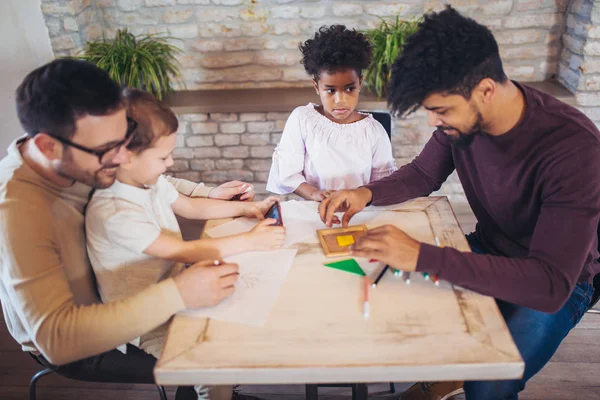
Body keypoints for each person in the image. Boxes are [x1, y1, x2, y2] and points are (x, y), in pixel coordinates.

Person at [318, 7, 600, 400]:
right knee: (399, 311)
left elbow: (550, 284)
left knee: (489, 380)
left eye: (441, 110)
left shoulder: (572, 147)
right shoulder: (462, 121)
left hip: (559, 284)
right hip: (488, 249)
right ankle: (443, 377)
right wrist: (366, 193)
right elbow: (423, 174)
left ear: (485, 89)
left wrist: (421, 255)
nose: (433, 122)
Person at [0, 58, 254, 400]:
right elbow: (58, 339)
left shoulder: (80, 149)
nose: (122, 158)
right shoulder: (17, 211)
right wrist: (180, 292)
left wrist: (206, 192)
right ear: (48, 146)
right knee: (216, 354)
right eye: (109, 150)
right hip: (84, 343)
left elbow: (143, 175)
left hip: (143, 292)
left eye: (124, 141)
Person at [85, 88, 285, 399]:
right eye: (163, 157)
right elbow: (182, 250)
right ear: (124, 156)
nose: (170, 163)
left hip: (179, 289)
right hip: (147, 320)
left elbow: (192, 207)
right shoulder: (114, 210)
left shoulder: (147, 181)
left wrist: (246, 208)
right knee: (209, 363)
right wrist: (250, 240)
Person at [266, 24, 397, 201]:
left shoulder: (374, 132)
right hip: (315, 210)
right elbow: (288, 173)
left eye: (349, 89)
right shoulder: (302, 119)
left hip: (361, 213)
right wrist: (314, 193)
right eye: (330, 90)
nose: (340, 100)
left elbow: (383, 184)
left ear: (360, 83)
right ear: (316, 87)